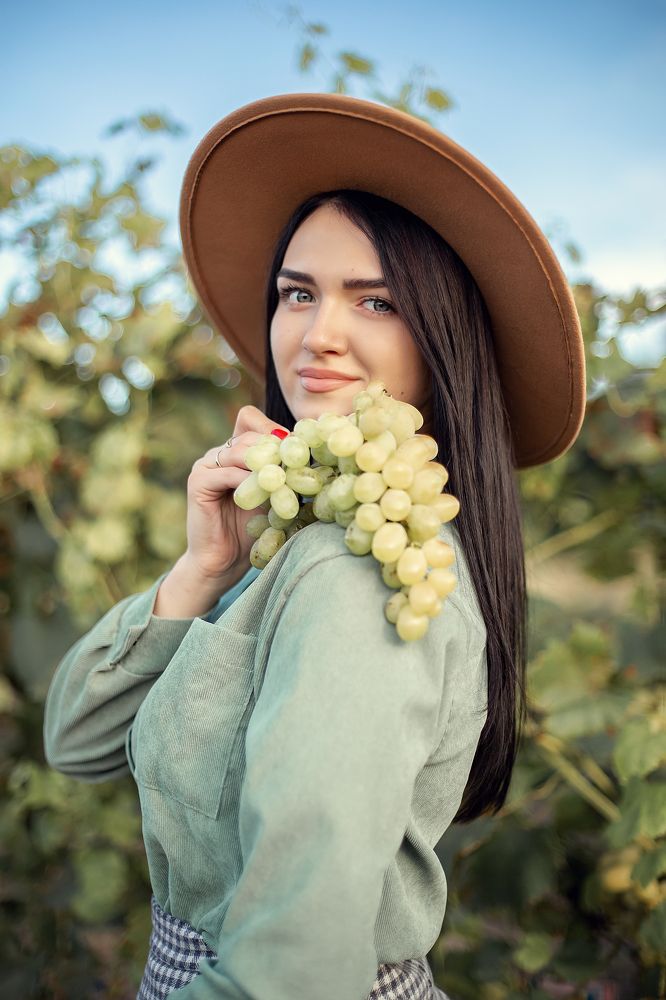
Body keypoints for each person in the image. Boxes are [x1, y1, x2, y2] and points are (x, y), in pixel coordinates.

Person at [43, 93, 586, 1000]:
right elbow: (77, 741)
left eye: (376, 300)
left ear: (443, 337)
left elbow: (289, 973)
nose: (317, 334)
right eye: (298, 292)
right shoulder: (299, 542)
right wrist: (201, 569)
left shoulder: (359, 569)